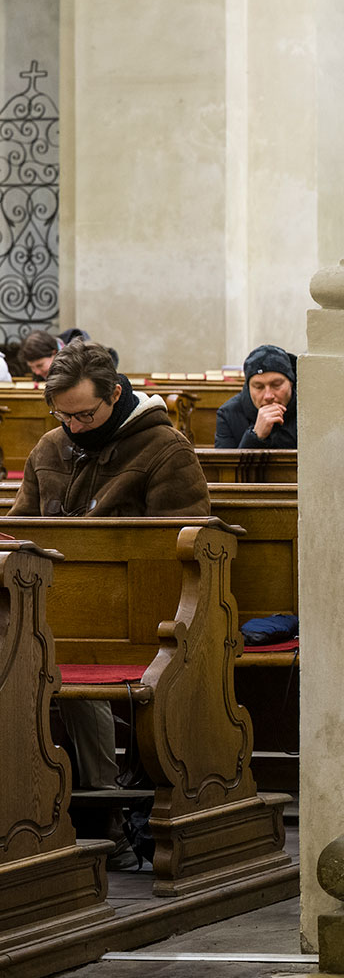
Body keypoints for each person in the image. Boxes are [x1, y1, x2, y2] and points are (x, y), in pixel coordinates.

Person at [12, 341, 210, 865]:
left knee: (67, 669)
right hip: (55, 609)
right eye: (63, 415)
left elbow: (182, 549)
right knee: (31, 658)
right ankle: (26, 812)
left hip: (140, 619)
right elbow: (19, 532)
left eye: (85, 414)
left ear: (115, 395)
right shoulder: (50, 448)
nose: (74, 427)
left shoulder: (164, 449)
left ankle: (105, 816)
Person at [214, 345, 298, 449]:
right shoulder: (228, 414)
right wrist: (255, 436)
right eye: (259, 387)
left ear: (291, 383)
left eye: (276, 385)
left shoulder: (308, 409)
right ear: (248, 388)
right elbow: (224, 459)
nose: (268, 396)